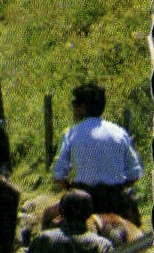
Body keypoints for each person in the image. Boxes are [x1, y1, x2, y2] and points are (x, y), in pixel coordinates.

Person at [52, 83, 144, 220]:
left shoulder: (70, 134)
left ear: (82, 107)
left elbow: (59, 175)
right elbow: (135, 174)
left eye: (74, 104)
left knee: (48, 216)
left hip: (82, 204)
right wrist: (115, 188)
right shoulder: (119, 132)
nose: (72, 108)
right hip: (115, 202)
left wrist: (70, 189)